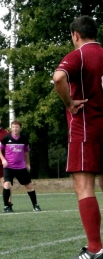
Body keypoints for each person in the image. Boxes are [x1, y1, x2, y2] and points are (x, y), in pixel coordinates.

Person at [53, 15, 103, 259]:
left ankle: (95, 248)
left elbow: (58, 78)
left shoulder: (79, 55)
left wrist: (69, 103)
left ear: (75, 35)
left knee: (84, 186)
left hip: (86, 129)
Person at [0, 120, 41, 213]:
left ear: (20, 128)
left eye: (16, 127)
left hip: (20, 167)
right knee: (7, 184)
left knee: (29, 185)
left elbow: (26, 152)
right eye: (13, 127)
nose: (15, 129)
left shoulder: (24, 138)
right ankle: (6, 206)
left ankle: (35, 205)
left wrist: (27, 163)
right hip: (8, 167)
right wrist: (3, 160)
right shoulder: (6, 138)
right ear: (11, 128)